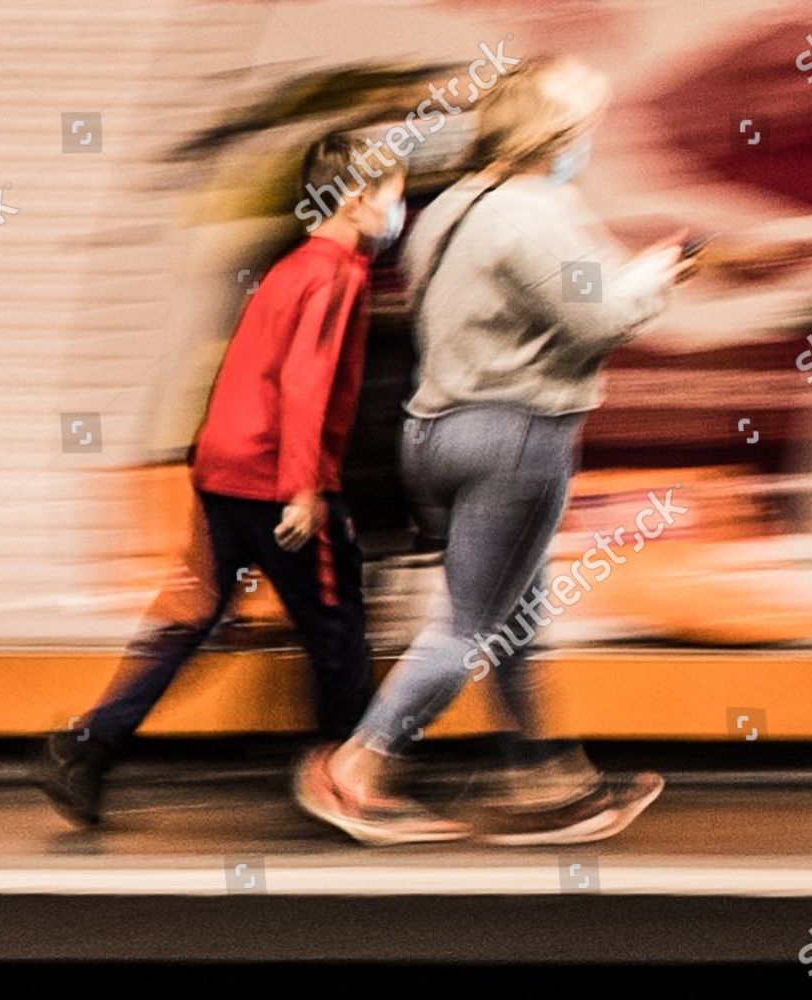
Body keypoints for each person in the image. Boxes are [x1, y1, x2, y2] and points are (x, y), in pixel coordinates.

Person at [295, 58, 692, 846]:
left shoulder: (449, 207)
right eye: (582, 127)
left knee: (515, 613)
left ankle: (542, 779)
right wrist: (661, 274)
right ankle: (356, 768)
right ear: (554, 132)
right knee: (471, 626)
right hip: (514, 439)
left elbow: (516, 304)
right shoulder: (537, 212)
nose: (586, 141)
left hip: (434, 434)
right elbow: (601, 318)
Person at [34, 135, 408, 826]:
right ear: (357, 198)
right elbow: (304, 383)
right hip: (275, 479)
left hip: (223, 470)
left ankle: (87, 746)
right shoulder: (337, 274)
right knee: (337, 628)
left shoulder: (290, 267)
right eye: (392, 196)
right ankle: (341, 775)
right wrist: (304, 488)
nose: (397, 211)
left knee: (195, 618)